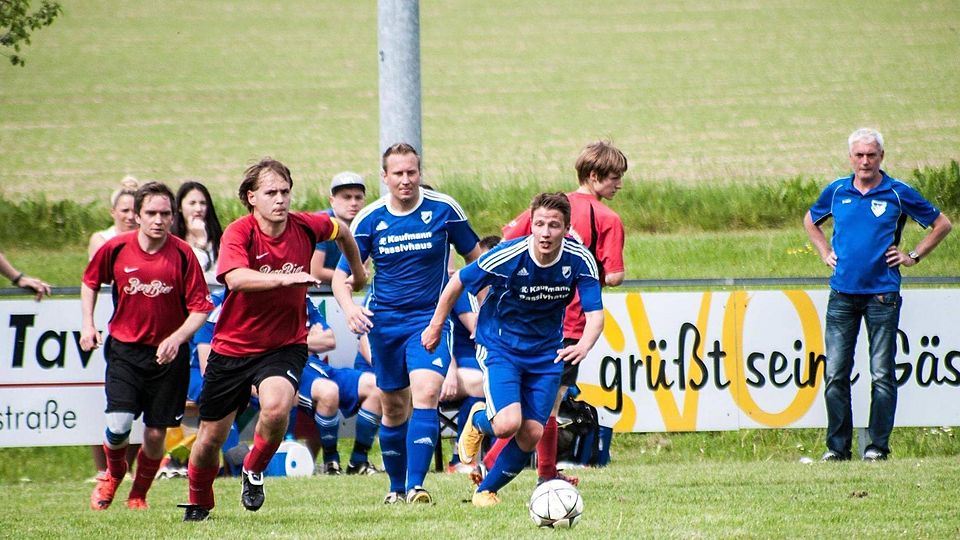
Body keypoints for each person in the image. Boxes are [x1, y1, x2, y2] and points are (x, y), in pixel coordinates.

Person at [180, 157, 366, 522]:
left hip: (284, 344)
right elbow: (233, 278)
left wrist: (356, 272)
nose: (280, 199)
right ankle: (200, 498)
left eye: (285, 192)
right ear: (252, 197)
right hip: (232, 346)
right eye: (271, 193)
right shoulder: (239, 232)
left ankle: (254, 468)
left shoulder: (307, 225)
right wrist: (285, 278)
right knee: (209, 441)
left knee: (278, 408)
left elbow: (342, 231)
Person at [421, 192, 604, 507]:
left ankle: (486, 491)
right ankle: (479, 419)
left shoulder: (579, 259)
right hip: (501, 347)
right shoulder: (507, 255)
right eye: (540, 224)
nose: (546, 233)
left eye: (554, 226)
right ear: (531, 224)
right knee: (507, 423)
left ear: (566, 227)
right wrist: (436, 325)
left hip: (547, 354)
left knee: (532, 432)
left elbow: (596, 315)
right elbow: (457, 283)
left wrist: (584, 345)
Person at [332, 143, 481, 504]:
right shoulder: (369, 218)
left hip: (430, 320)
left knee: (426, 394)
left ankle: (417, 487)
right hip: (385, 325)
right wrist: (350, 308)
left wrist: (488, 301)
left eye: (411, 172)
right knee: (394, 406)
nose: (405, 180)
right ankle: (396, 489)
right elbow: (340, 277)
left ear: (419, 172)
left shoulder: (445, 209)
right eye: (397, 173)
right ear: (384, 177)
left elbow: (476, 258)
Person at [804, 128, 952, 462]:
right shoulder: (837, 190)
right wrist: (824, 251)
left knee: (882, 374)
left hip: (882, 295)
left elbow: (942, 223)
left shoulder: (898, 193)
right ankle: (837, 448)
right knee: (835, 374)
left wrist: (913, 256)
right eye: (859, 155)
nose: (865, 161)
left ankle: (877, 447)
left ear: (882, 157)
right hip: (842, 293)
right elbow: (810, 221)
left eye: (872, 155)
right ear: (850, 158)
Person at [492, 140, 627, 485]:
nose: (619, 184)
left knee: (541, 405)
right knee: (549, 406)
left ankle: (544, 473)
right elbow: (613, 276)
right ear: (595, 176)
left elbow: (509, 238)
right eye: (614, 178)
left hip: (530, 318)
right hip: (571, 323)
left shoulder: (551, 209)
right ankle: (501, 464)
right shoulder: (607, 218)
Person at [80, 181, 213, 511]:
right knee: (119, 423)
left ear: (172, 216)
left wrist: (176, 338)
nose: (158, 219)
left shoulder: (183, 254)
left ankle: (138, 494)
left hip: (169, 355)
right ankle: (112, 474)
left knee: (155, 436)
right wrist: (87, 323)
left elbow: (201, 308)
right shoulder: (116, 249)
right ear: (137, 215)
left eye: (165, 213)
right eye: (151, 213)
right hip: (125, 350)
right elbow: (89, 282)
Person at [296, 297, 383, 475]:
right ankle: (331, 463)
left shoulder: (303, 298)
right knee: (329, 391)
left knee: (375, 385)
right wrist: (309, 338)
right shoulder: (265, 299)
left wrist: (295, 341)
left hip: (318, 366)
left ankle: (358, 462)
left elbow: (329, 341)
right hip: (290, 368)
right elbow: (269, 345)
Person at [441, 235, 500, 473]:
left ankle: (482, 458)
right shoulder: (463, 288)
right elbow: (478, 328)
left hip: (483, 359)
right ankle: (462, 457)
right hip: (467, 360)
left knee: (483, 395)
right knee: (490, 385)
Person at [310, 171, 367, 283]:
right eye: (347, 197)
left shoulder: (364, 223)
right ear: (332, 201)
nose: (353, 203)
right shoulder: (322, 224)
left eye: (358, 197)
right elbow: (316, 272)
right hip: (314, 290)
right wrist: (354, 275)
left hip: (342, 286)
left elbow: (363, 267)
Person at [172, 181, 224, 288]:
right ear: (180, 207)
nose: (199, 209)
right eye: (192, 203)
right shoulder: (172, 239)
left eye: (203, 203)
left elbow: (219, 276)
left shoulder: (219, 240)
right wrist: (200, 243)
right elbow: (188, 277)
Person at [88, 176, 139, 259]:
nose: (131, 216)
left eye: (135, 211)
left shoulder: (150, 240)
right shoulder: (102, 239)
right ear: (113, 212)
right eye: (125, 211)